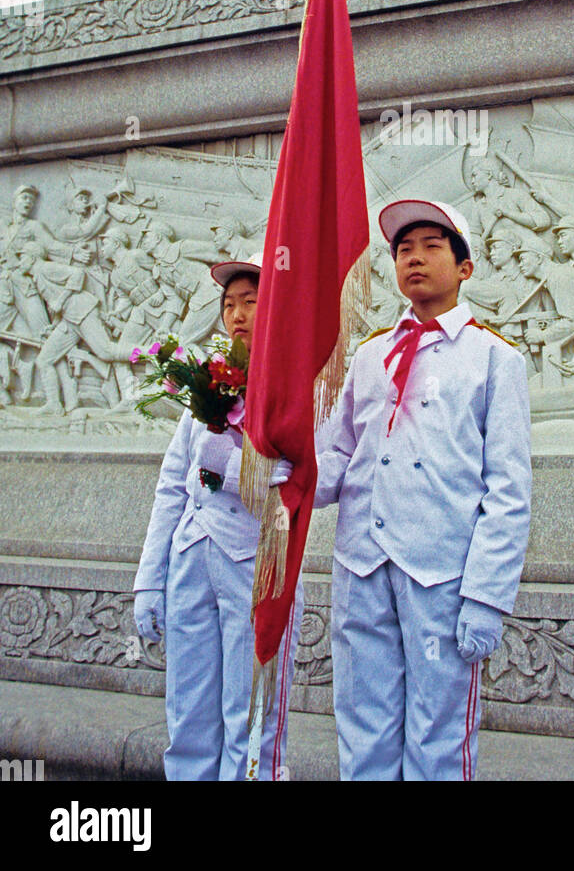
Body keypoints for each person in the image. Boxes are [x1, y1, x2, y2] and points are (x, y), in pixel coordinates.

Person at [314, 199, 532, 781]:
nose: (415, 259)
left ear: (464, 267)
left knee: (439, 733)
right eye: (403, 249)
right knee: (362, 723)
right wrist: (288, 470)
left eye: (432, 246)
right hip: (362, 563)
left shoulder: (494, 359)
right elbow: (339, 456)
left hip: (441, 572)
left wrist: (487, 595)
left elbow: (508, 490)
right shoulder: (368, 355)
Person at [133, 253, 303, 781]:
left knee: (248, 711)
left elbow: (295, 474)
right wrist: (147, 581)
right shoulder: (204, 387)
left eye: (251, 301)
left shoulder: (296, 390)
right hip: (191, 553)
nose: (237, 314)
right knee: (188, 710)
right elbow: (173, 486)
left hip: (253, 559)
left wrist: (229, 468)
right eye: (229, 304)